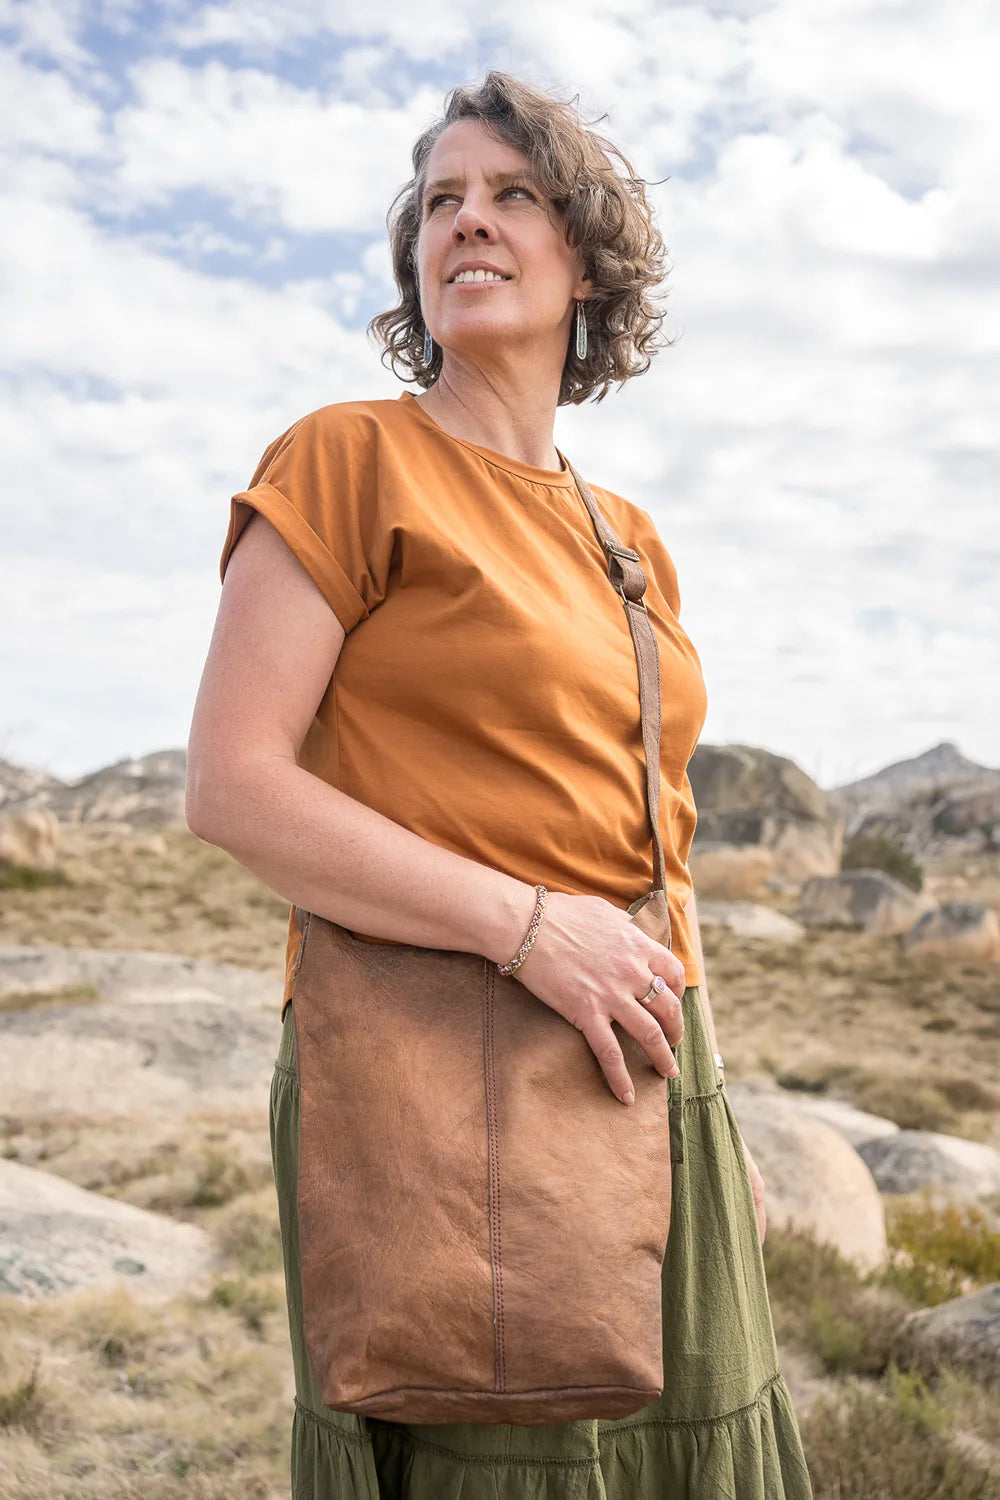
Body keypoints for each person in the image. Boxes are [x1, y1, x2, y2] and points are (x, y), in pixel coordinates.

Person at [187, 70, 813, 1500]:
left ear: (584, 255)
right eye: (440, 204)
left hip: (643, 1059)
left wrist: (711, 1104)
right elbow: (232, 786)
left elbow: (657, 845)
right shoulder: (349, 460)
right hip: (442, 1066)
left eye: (511, 194)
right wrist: (531, 927)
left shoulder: (628, 534)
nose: (467, 221)